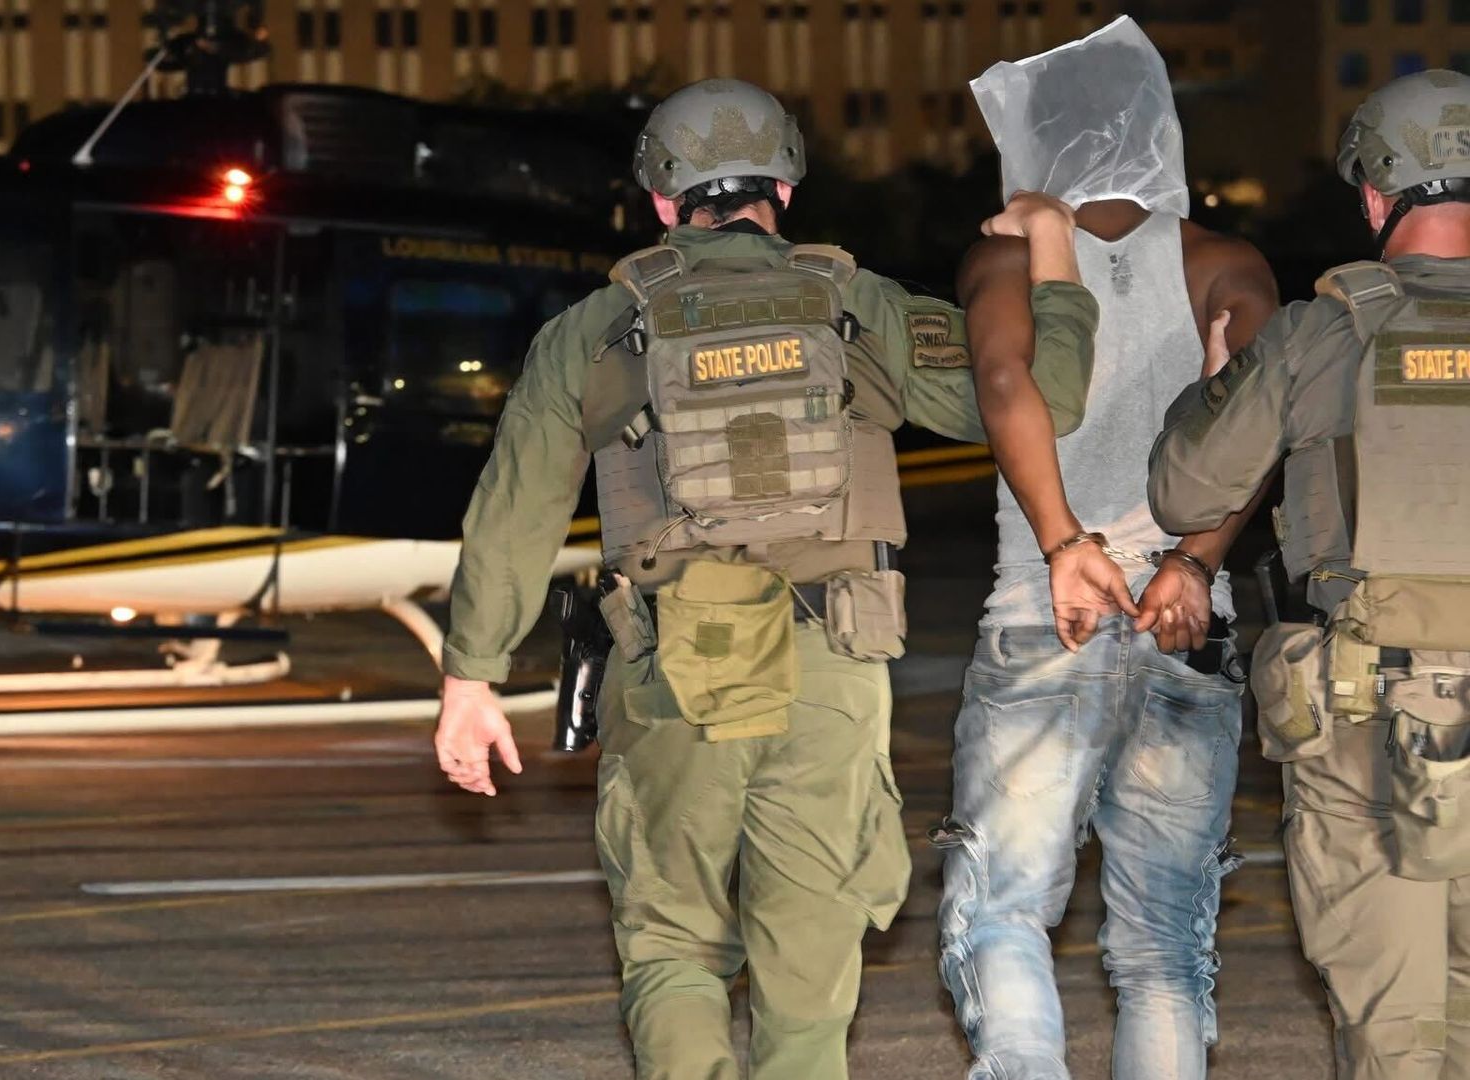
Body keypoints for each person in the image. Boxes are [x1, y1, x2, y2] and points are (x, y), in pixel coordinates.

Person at [432, 78, 1101, 1080]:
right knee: (810, 962)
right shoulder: (857, 306)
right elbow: (1046, 399)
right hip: (831, 666)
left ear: (662, 200)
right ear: (784, 188)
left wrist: (471, 677)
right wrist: (1052, 249)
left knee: (672, 942)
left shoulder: (593, 329)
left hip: (673, 671)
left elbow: (514, 512)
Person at [934, 18, 1279, 1080]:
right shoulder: (1226, 263)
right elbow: (1265, 415)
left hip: (1050, 613)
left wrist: (1061, 542)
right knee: (1163, 949)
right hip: (1184, 625)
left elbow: (1006, 383)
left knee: (1003, 912)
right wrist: (1192, 561)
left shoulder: (1005, 255)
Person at [1149, 69, 1470, 1079]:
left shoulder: (1319, 332)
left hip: (1370, 723)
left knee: (1395, 1031)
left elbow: (1186, 493)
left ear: (1374, 194)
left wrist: (1211, 390)